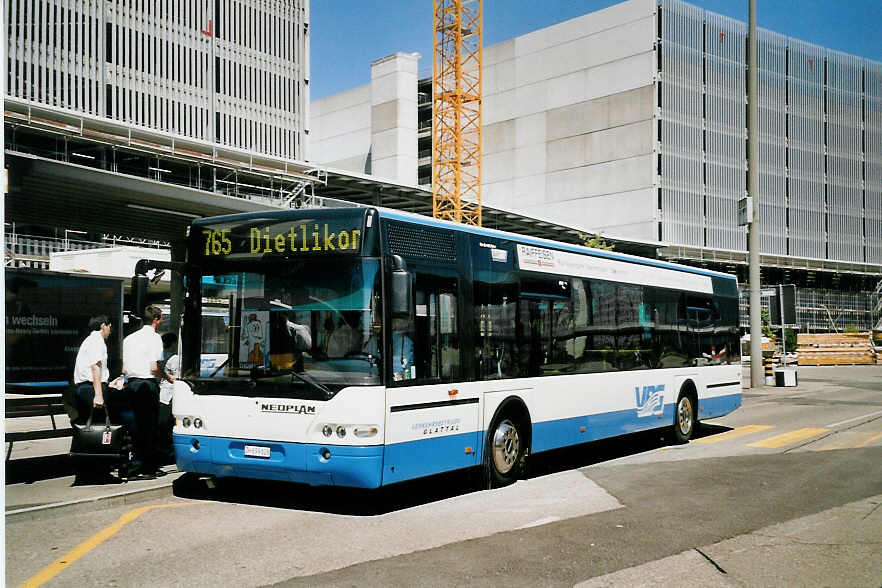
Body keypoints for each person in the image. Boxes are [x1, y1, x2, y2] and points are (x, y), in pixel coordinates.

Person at [123, 305, 175, 479]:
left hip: (131, 384)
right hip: (147, 385)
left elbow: (124, 368)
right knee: (148, 427)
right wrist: (168, 378)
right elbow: (154, 368)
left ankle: (142, 464)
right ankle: (143, 467)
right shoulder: (154, 339)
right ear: (156, 319)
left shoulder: (129, 339)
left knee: (135, 426)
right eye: (160, 319)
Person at [71, 314, 122, 484]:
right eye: (110, 326)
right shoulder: (97, 341)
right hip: (90, 389)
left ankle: (90, 470)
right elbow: (95, 368)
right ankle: (96, 471)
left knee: (91, 427)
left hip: (88, 387)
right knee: (98, 428)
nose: (110, 330)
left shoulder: (90, 341)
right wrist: (99, 394)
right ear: (103, 326)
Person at [157, 332, 180, 466]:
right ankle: (168, 454)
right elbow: (176, 379)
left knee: (161, 427)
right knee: (168, 427)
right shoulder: (175, 358)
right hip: (169, 396)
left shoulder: (160, 356)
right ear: (173, 343)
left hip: (160, 395)